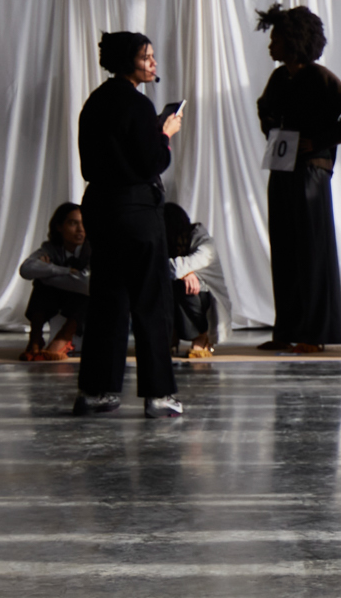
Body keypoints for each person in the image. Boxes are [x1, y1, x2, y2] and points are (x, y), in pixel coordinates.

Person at [71, 32, 183, 415]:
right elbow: (152, 162)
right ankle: (158, 395)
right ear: (128, 62)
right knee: (151, 302)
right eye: (146, 57)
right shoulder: (137, 105)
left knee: (107, 301)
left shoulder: (94, 102)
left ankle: (98, 391)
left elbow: (90, 163)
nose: (153, 63)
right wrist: (164, 135)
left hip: (100, 207)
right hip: (136, 210)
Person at [251, 3, 341, 353]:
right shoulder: (279, 78)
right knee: (285, 249)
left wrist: (319, 142)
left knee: (311, 251)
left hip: (311, 173)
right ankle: (286, 329)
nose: (271, 45)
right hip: (283, 169)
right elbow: (265, 109)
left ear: (293, 40)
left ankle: (314, 333)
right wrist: (273, 128)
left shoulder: (318, 76)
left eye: (277, 38)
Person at [18, 202, 89, 361]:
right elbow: (26, 269)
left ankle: (63, 339)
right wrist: (64, 271)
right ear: (59, 227)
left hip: (85, 301)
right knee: (41, 285)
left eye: (84, 223)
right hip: (60, 299)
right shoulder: (51, 248)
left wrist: (47, 272)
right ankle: (35, 338)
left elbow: (88, 284)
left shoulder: (91, 248)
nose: (80, 229)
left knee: (87, 293)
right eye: (73, 223)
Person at [165, 201, 224, 357]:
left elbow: (183, 266)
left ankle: (202, 335)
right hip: (176, 296)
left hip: (203, 297)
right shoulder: (164, 241)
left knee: (185, 285)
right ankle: (170, 334)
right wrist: (185, 272)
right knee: (161, 284)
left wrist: (186, 273)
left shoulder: (203, 241)